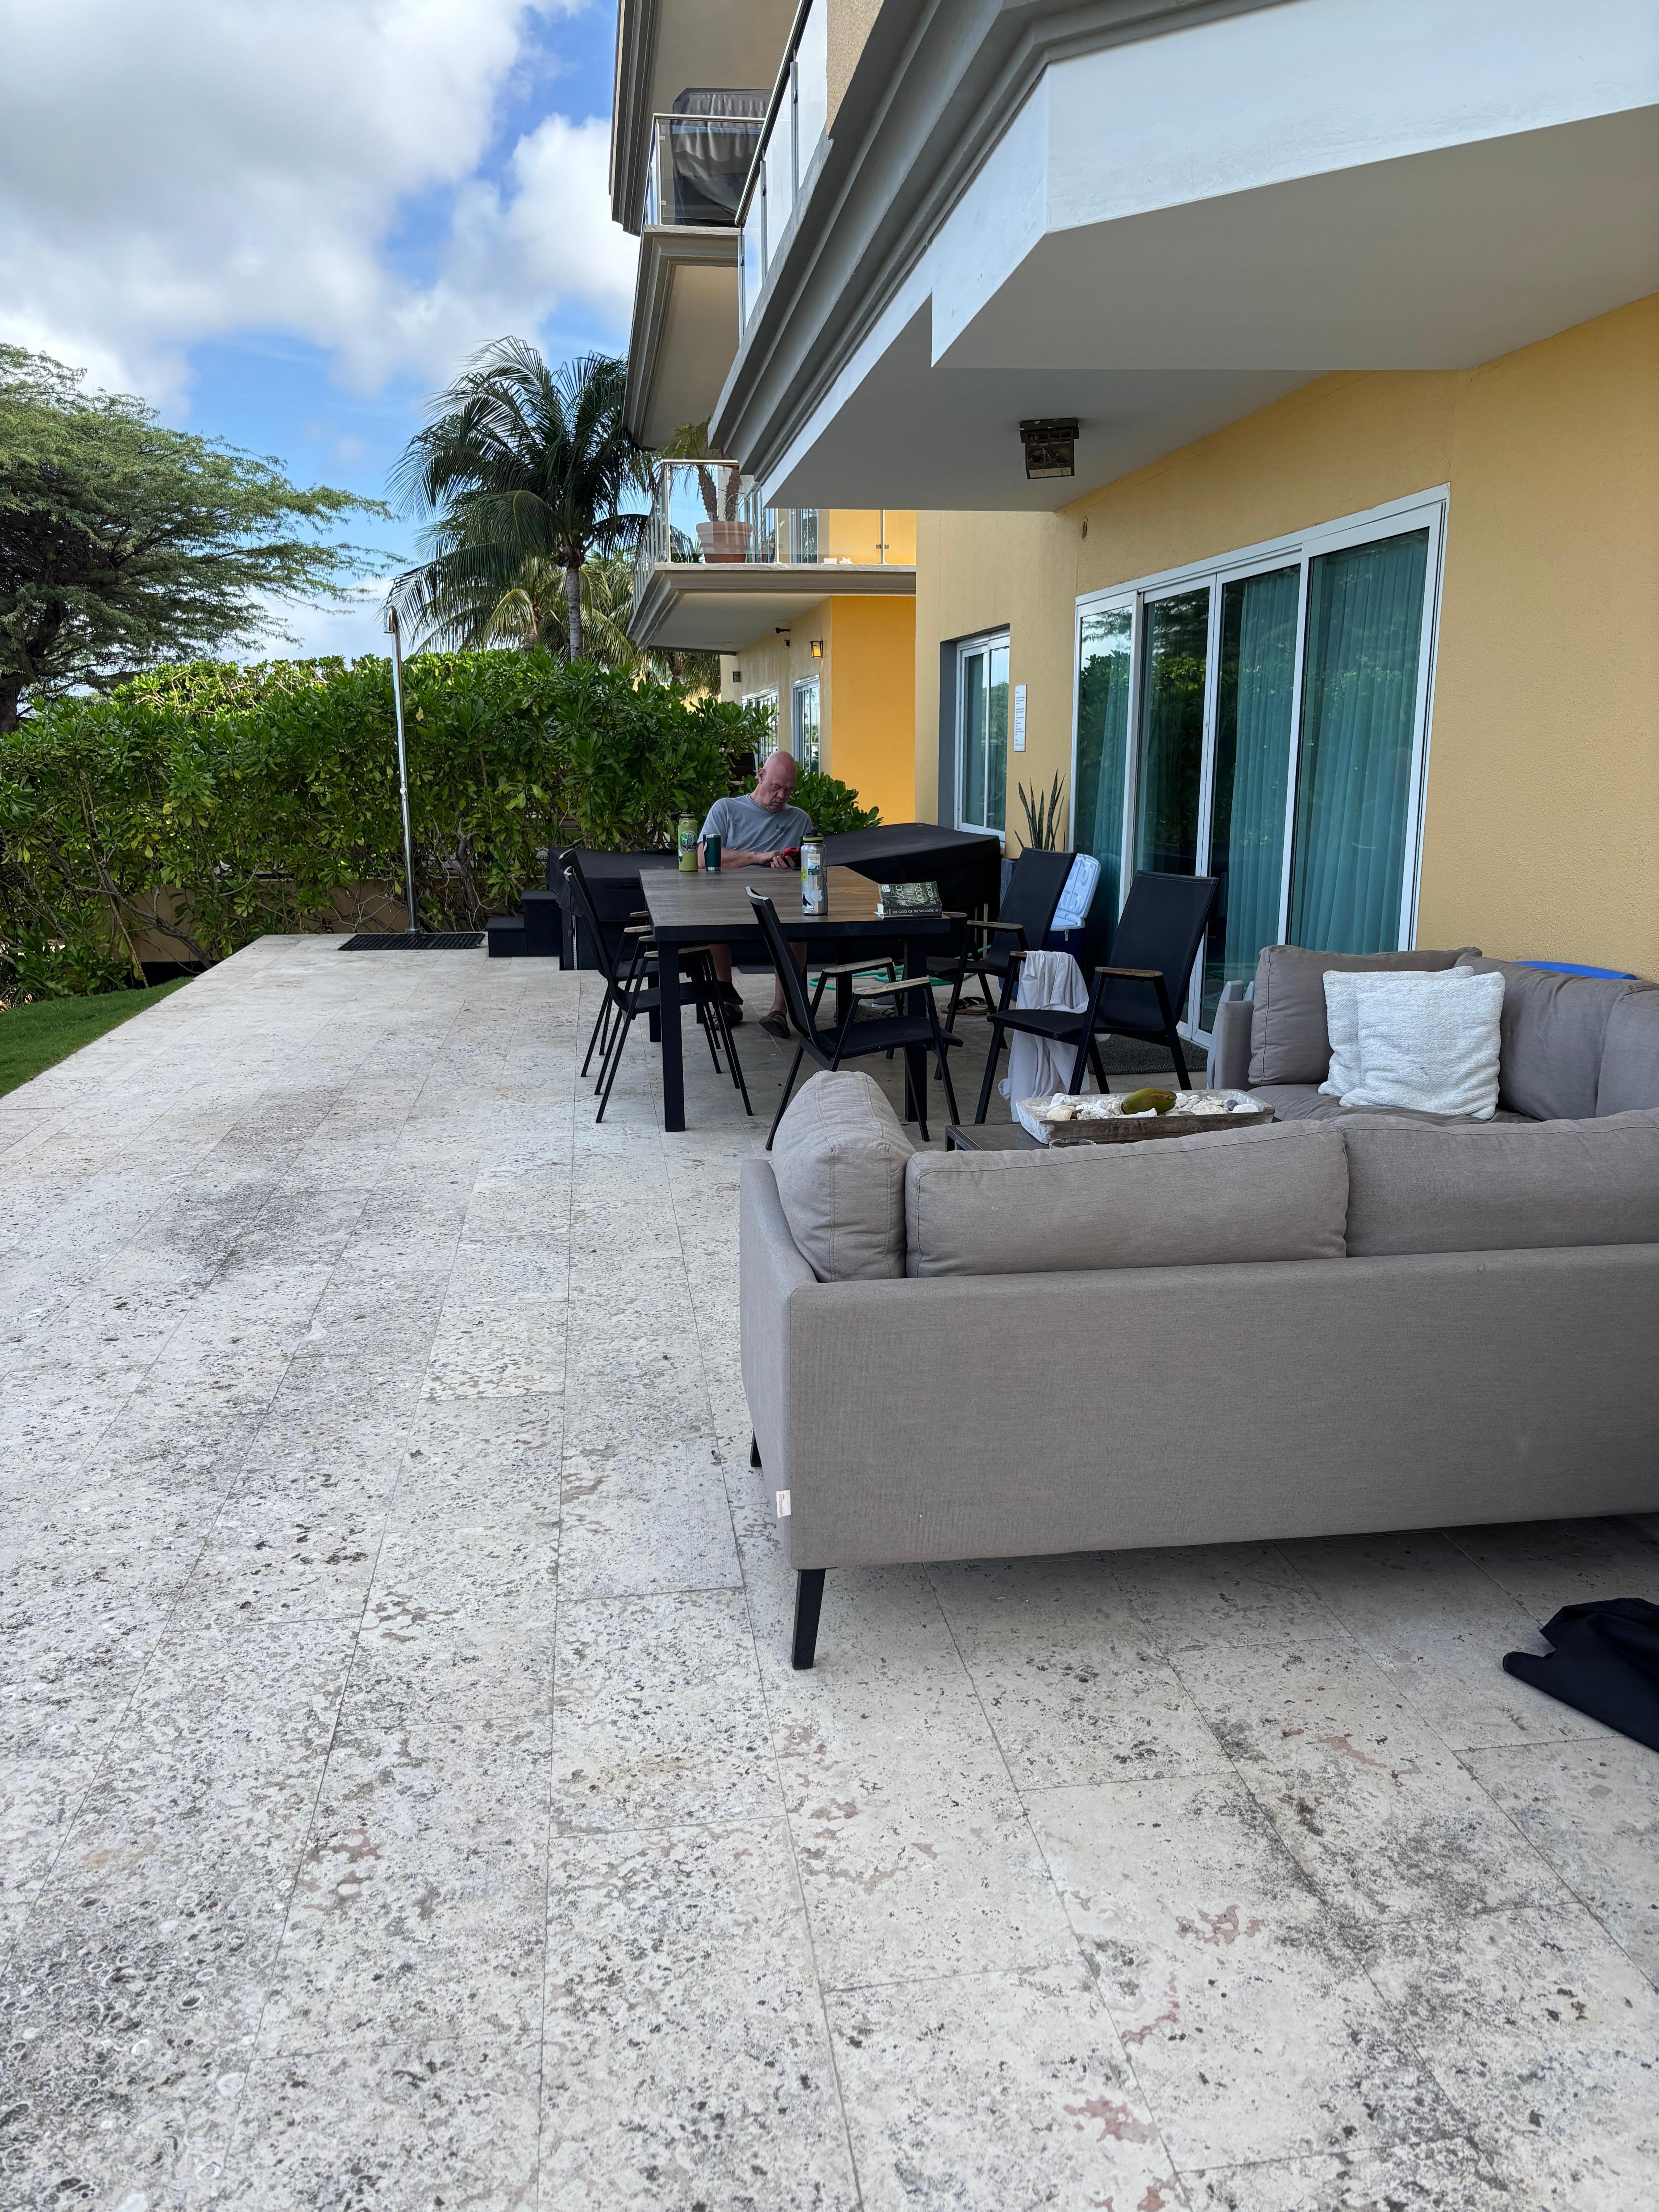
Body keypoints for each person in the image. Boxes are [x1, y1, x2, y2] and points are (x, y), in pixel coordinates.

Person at [699, 751, 812, 1036]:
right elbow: (703, 857)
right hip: (728, 899)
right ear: (760, 776)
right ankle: (728, 1003)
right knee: (710, 924)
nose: (782, 796)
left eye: (788, 790)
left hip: (779, 903)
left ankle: (780, 1011)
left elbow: (810, 867)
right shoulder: (726, 810)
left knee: (799, 930)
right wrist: (757, 858)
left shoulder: (800, 820)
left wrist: (792, 865)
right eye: (776, 787)